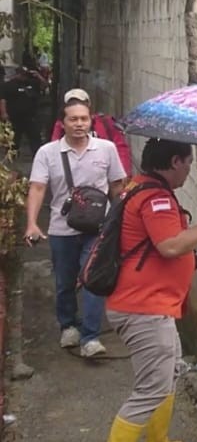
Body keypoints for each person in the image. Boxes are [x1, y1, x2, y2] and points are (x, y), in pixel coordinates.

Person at [86, 138, 197, 442]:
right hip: (143, 308)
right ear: (173, 161)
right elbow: (169, 245)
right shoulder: (157, 198)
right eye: (187, 163)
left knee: (168, 373)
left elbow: (156, 248)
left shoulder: (140, 186)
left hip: (151, 304)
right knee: (152, 387)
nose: (188, 170)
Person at [23, 94, 127, 357]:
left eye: (84, 119)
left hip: (97, 229)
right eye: (74, 119)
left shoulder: (106, 149)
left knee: (93, 280)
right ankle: (68, 325)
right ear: (63, 123)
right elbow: (37, 188)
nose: (80, 124)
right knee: (64, 282)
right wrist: (32, 223)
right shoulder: (47, 153)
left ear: (90, 120)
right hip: (62, 229)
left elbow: (117, 186)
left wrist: (120, 220)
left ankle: (90, 337)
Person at [50, 88, 134, 177]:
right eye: (73, 103)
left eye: (81, 103)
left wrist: (123, 174)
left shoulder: (105, 122)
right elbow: (55, 149)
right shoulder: (62, 125)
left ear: (88, 104)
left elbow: (121, 148)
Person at [0, 60, 47, 159]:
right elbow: (3, 99)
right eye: (21, 74)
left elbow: (44, 86)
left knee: (35, 137)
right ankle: (11, 156)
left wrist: (38, 76)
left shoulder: (32, 83)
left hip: (30, 116)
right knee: (14, 138)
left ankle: (38, 156)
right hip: (15, 116)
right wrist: (3, 113)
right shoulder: (9, 85)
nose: (23, 77)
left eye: (25, 74)